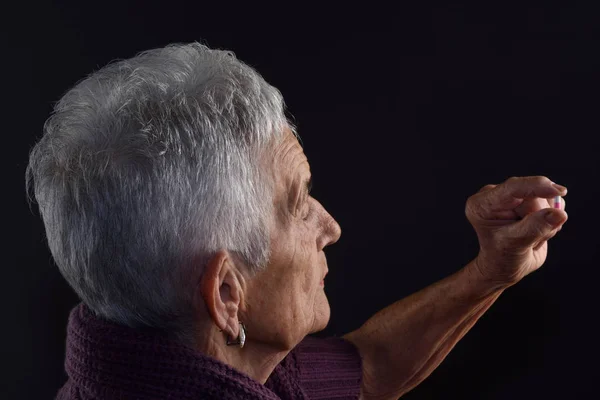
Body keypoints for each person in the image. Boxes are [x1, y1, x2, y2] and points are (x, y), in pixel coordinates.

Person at [26, 42, 568, 400]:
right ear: (228, 296)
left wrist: (492, 270)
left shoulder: (154, 361)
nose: (330, 227)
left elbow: (368, 368)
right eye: (298, 204)